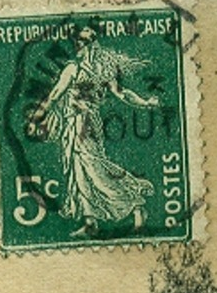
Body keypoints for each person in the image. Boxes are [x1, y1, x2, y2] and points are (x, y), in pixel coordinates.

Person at [28, 26, 159, 237]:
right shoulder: (85, 69)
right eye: (76, 42)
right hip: (75, 125)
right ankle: (90, 221)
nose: (77, 46)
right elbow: (55, 96)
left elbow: (121, 93)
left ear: (91, 45)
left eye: (82, 42)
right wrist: (38, 117)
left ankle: (135, 203)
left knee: (94, 169)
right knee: (80, 171)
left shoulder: (81, 70)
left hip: (84, 125)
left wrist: (144, 103)